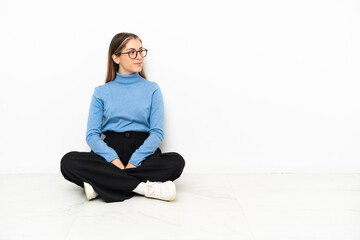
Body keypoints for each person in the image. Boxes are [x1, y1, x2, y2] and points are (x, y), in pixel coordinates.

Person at [60, 32, 185, 203]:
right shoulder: (101, 92)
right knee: (68, 162)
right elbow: (91, 135)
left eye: (141, 51)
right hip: (111, 149)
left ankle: (101, 185)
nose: (139, 57)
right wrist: (114, 160)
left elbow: (156, 133)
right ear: (116, 58)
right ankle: (143, 188)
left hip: (143, 150)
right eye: (132, 52)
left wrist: (135, 161)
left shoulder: (152, 89)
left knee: (176, 162)